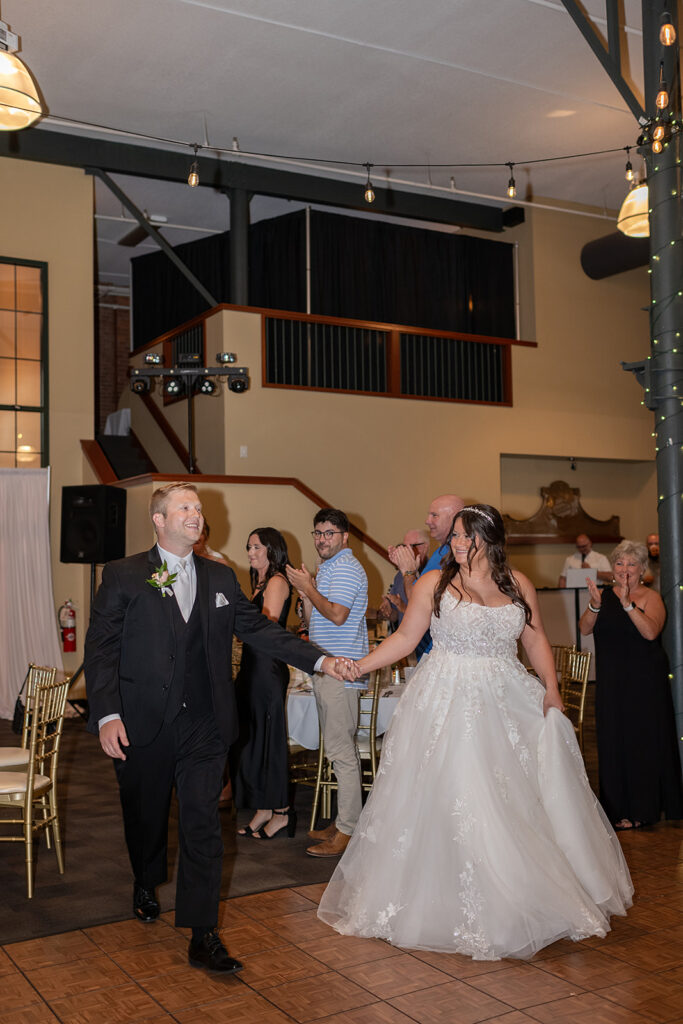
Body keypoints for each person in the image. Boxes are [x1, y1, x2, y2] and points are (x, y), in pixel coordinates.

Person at [317, 504, 633, 959]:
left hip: (506, 698)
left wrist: (550, 688)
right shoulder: (436, 583)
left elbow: (534, 637)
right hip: (447, 700)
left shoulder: (517, 583)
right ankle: (450, 901)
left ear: (489, 538)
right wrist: (358, 667)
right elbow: (406, 639)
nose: (457, 544)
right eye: (456, 537)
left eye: (466, 537)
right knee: (463, 794)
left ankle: (518, 898)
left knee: (514, 801)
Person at [85, 483, 349, 974]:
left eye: (198, 507)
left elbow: (262, 631)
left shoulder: (221, 578)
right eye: (184, 506)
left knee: (204, 825)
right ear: (159, 520)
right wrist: (107, 713)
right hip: (142, 724)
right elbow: (100, 650)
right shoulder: (122, 576)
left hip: (205, 725)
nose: (196, 513)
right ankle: (145, 879)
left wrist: (320, 660)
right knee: (145, 819)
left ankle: (203, 933)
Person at [579, 540, 682, 830]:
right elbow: (584, 628)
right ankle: (616, 809)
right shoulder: (603, 596)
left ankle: (642, 809)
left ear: (642, 570)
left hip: (644, 683)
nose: (625, 569)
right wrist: (595, 605)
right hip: (612, 681)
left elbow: (650, 632)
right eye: (620, 564)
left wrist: (627, 604)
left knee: (641, 742)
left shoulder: (651, 597)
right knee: (612, 740)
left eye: (631, 564)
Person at [287, 508, 368, 858]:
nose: (322, 539)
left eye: (329, 533)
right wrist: (306, 595)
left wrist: (310, 588)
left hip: (342, 673)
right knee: (335, 753)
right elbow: (312, 618)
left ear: (345, 536)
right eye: (317, 533)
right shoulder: (330, 568)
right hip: (325, 669)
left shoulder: (348, 568)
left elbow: (337, 616)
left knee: (341, 754)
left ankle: (348, 831)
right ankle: (343, 821)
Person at [230, 528, 296, 839]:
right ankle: (263, 808)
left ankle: (281, 811)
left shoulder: (277, 581)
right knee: (253, 738)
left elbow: (267, 626)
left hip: (267, 668)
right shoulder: (259, 584)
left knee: (269, 738)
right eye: (248, 546)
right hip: (252, 666)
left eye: (257, 546)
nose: (250, 552)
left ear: (272, 549)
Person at [388, 494, 464, 657]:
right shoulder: (442, 552)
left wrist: (408, 572)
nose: (427, 521)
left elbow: (418, 601)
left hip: (441, 652)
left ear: (454, 518)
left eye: (434, 515)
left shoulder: (450, 554)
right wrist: (412, 570)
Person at [376, 528, 429, 631]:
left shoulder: (433, 572)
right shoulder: (399, 576)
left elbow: (426, 617)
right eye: (404, 547)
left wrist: (404, 607)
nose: (405, 552)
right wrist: (389, 611)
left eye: (411, 547)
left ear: (424, 547)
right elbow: (395, 616)